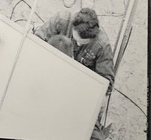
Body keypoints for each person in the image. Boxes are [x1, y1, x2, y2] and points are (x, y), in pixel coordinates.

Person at [34, 8, 115, 140]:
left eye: (82, 43)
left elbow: (106, 83)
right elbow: (35, 42)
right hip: (49, 78)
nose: (76, 45)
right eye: (76, 40)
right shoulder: (62, 20)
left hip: (77, 92)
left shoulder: (102, 45)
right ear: (73, 27)